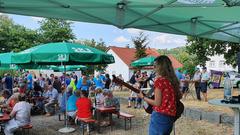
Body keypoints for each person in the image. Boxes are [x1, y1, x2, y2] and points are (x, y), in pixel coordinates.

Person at [137, 55, 182, 135]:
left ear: (160, 67)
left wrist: (143, 97)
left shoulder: (160, 81)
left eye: (155, 66)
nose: (153, 68)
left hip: (160, 116)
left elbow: (157, 103)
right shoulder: (172, 80)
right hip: (170, 117)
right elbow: (179, 96)